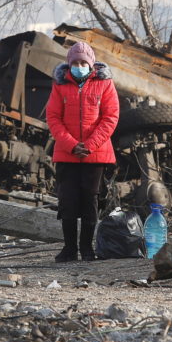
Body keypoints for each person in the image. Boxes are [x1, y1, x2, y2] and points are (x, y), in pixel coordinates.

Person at [46, 41, 119, 262]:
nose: (79, 66)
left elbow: (110, 117)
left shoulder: (105, 84)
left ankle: (87, 249)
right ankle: (69, 249)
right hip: (67, 154)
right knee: (67, 202)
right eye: (75, 62)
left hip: (94, 154)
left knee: (90, 201)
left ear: (91, 64)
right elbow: (53, 118)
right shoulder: (60, 86)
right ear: (69, 64)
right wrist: (70, 144)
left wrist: (90, 145)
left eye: (83, 62)